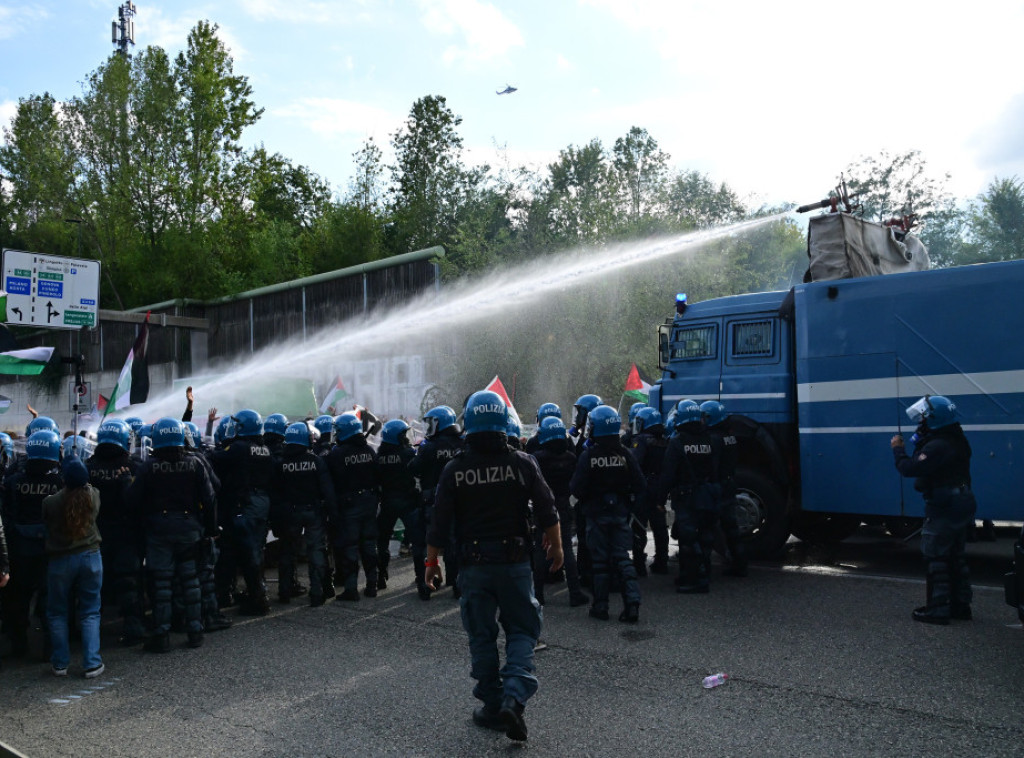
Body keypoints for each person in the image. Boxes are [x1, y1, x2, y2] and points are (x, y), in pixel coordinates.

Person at [425, 390, 563, 742]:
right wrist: (558, 546)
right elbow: (548, 509)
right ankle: (514, 700)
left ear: (468, 424)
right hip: (515, 563)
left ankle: (491, 705)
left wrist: (431, 561)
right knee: (521, 630)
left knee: (482, 636)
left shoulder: (455, 469)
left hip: (472, 566)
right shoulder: (522, 462)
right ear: (504, 423)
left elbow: (439, 522)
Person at [128, 417, 217, 652]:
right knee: (191, 582)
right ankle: (195, 631)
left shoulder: (148, 467)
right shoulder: (195, 464)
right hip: (189, 529)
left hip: (158, 531)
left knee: (162, 584)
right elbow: (209, 499)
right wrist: (211, 528)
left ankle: (161, 635)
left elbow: (132, 500)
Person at [892, 395, 977, 624]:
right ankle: (961, 606)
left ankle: (938, 609)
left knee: (936, 556)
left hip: (944, 505)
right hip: (962, 501)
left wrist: (898, 450)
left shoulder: (938, 445)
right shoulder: (956, 438)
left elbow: (910, 468)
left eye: (923, 417)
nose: (921, 421)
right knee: (955, 556)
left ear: (933, 419)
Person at [570, 405, 646, 623]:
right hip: (620, 514)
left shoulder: (589, 456)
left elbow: (576, 488)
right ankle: (632, 605)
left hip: (595, 516)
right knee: (623, 559)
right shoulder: (625, 454)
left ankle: (600, 606)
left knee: (600, 563)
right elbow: (640, 485)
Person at [1, 429, 63, 659]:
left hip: (19, 548)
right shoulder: (59, 481)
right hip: (49, 548)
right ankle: (49, 645)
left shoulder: (13, 480)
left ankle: (19, 643)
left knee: (18, 598)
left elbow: (6, 515)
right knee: (49, 599)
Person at [42, 458, 104, 678]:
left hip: (61, 559)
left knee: (57, 611)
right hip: (91, 556)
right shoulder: (93, 496)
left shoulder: (50, 502)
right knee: (90, 611)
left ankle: (60, 663)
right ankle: (92, 662)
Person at [86, 418, 145, 646]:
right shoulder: (134, 466)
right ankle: (134, 628)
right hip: (127, 535)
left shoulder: (88, 468)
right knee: (129, 581)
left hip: (96, 535)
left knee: (95, 586)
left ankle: (91, 635)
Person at [272, 422, 336, 607]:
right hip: (313, 512)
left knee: (287, 551)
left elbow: (275, 493)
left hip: (289, 513)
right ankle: (317, 593)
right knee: (315, 550)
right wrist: (333, 513)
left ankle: (284, 592)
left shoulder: (281, 463)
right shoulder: (315, 461)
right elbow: (327, 490)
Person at [660, 400, 720, 594]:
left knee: (688, 540)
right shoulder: (710, 439)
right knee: (705, 536)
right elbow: (715, 470)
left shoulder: (677, 442)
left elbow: (668, 475)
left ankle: (695, 580)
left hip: (686, 497)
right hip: (708, 495)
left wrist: (660, 499)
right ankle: (702, 573)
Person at [530, 416, 588, 607]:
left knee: (540, 549)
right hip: (563, 507)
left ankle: (538, 595)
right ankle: (575, 593)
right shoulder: (571, 457)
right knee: (567, 551)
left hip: (542, 509)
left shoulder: (537, 458)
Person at [325, 412, 380, 600]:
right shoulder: (370, 451)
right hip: (370, 502)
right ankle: (372, 585)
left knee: (350, 547)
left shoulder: (337, 454)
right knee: (369, 545)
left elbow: (331, 482)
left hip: (349, 506)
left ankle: (351, 589)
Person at [410, 405, 464, 597]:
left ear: (439, 423)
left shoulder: (429, 447)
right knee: (454, 542)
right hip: (458, 500)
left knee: (427, 541)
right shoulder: (462, 443)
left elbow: (413, 469)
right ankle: (457, 584)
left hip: (432, 501)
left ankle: (427, 585)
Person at [375, 419, 424, 597]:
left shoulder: (379, 457)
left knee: (381, 542)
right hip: (408, 502)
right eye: (403, 434)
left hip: (387, 503)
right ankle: (421, 577)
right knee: (418, 543)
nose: (406, 438)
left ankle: (380, 576)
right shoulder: (409, 453)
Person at [701, 400, 747, 577]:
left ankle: (705, 570)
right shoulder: (730, 436)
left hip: (717, 485)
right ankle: (739, 563)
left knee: (709, 527)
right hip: (729, 483)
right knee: (732, 528)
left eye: (704, 417)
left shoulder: (713, 439)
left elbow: (712, 466)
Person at [630, 407, 671, 575]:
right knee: (660, 527)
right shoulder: (665, 441)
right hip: (659, 488)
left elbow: (634, 463)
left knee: (639, 527)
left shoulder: (641, 440)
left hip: (644, 488)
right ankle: (662, 562)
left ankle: (639, 565)